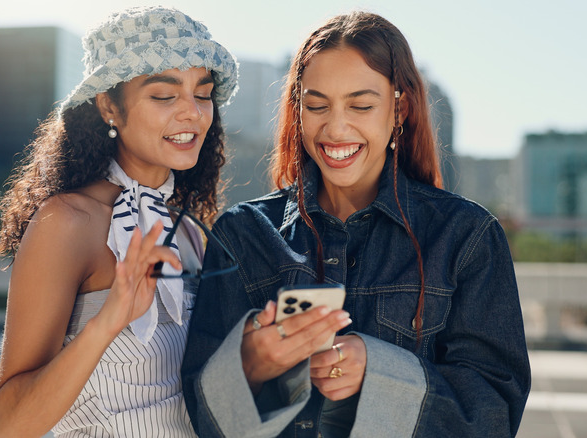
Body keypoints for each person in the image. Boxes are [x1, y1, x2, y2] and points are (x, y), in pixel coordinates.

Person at [182, 11, 530, 438]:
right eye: (316, 105)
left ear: (398, 109)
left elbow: (494, 415)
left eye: (361, 105)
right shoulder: (242, 235)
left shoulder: (466, 237)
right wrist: (257, 368)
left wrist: (379, 374)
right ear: (298, 109)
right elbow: (203, 421)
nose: (336, 128)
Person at [0, 6, 238, 437]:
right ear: (109, 107)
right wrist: (109, 320)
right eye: (164, 94)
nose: (193, 113)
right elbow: (11, 425)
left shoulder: (192, 233)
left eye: (203, 93)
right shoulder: (67, 223)